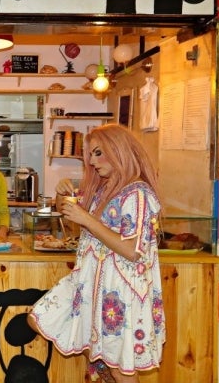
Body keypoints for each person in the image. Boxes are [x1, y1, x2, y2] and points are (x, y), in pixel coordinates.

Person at [28, 124, 165, 383]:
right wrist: (60, 196)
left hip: (120, 293)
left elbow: (133, 250)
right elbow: (71, 219)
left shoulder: (138, 193)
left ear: (119, 151)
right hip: (91, 284)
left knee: (118, 366)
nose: (92, 161)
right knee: (41, 318)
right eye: (90, 154)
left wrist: (87, 219)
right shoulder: (103, 187)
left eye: (98, 153)